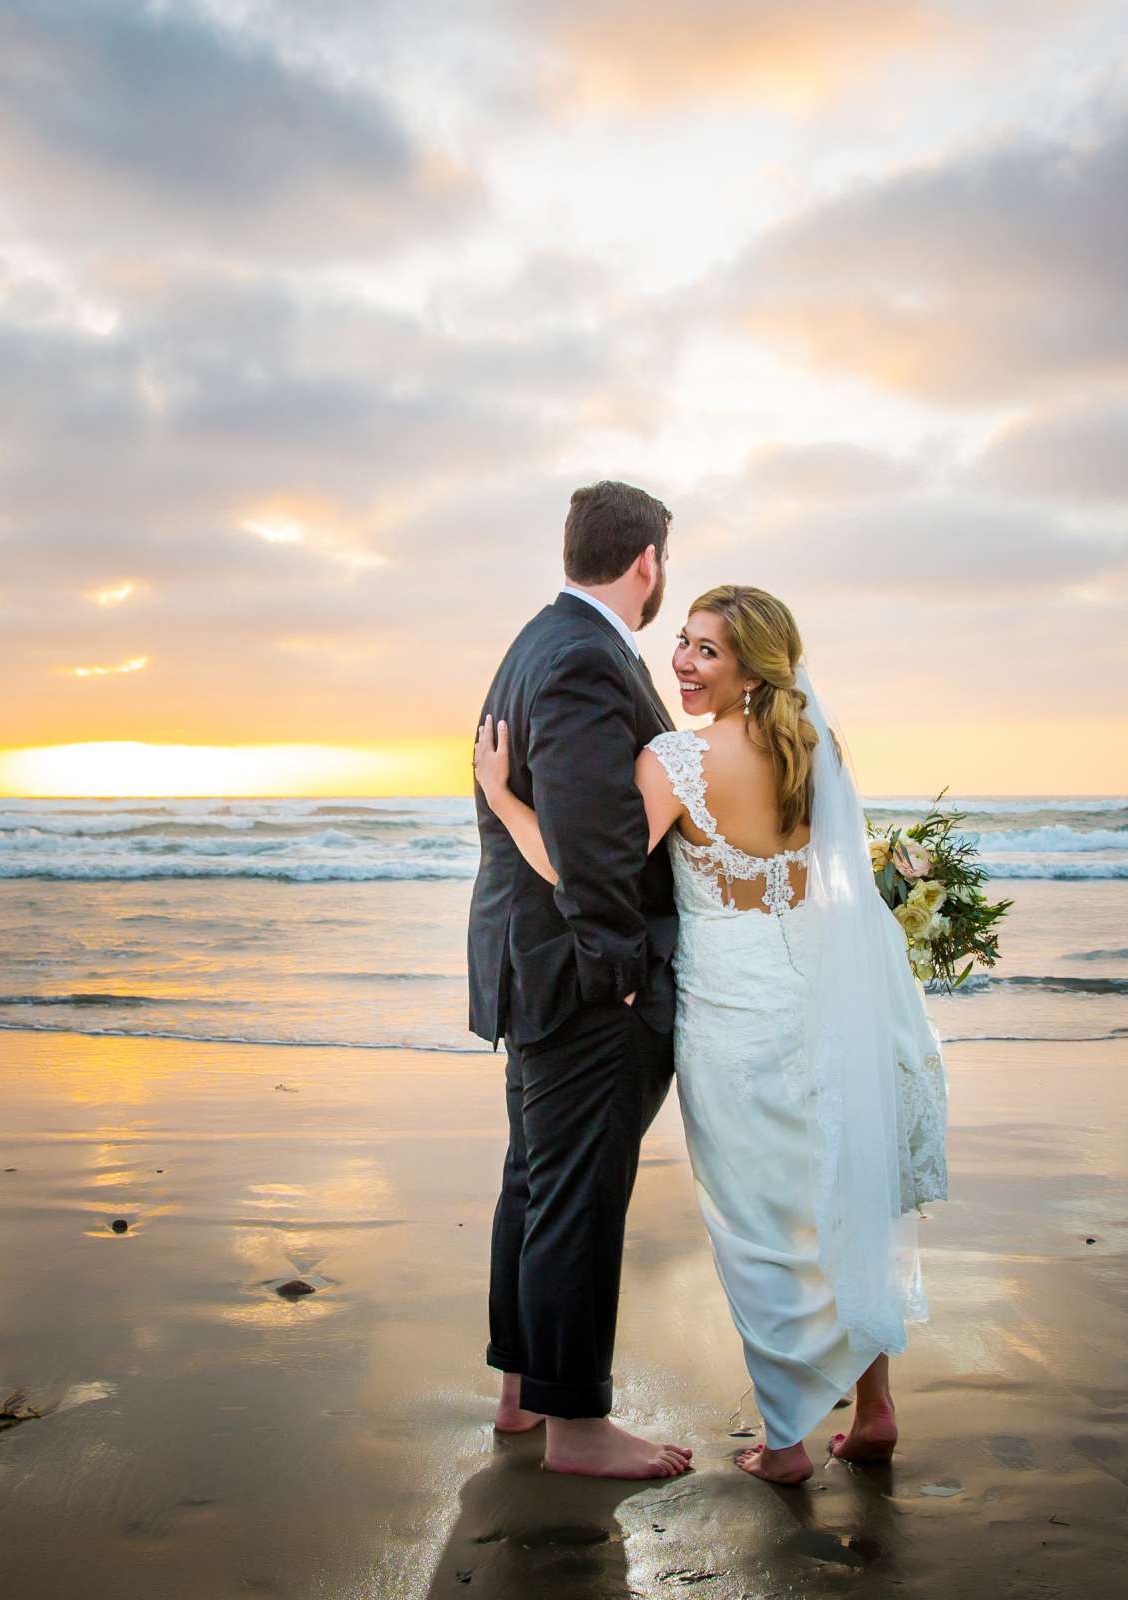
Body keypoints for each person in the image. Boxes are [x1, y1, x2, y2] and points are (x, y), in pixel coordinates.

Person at [477, 583, 947, 1485]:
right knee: (837, 1186)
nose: (684, 664)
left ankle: (786, 1445)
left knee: (759, 1221)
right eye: (684, 643)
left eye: (707, 652)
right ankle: (876, 1407)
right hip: (819, 993)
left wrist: (503, 799)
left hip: (734, 1013)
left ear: (750, 668)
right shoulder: (818, 748)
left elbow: (588, 871)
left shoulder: (675, 762)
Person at [465, 480, 692, 1479]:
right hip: (580, 975)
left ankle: (522, 1390)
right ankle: (575, 1425)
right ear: (646, 561)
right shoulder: (584, 661)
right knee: (576, 1193)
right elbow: (592, 846)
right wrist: (624, 974)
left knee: (536, 1178)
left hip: (534, 961)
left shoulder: (536, 643)